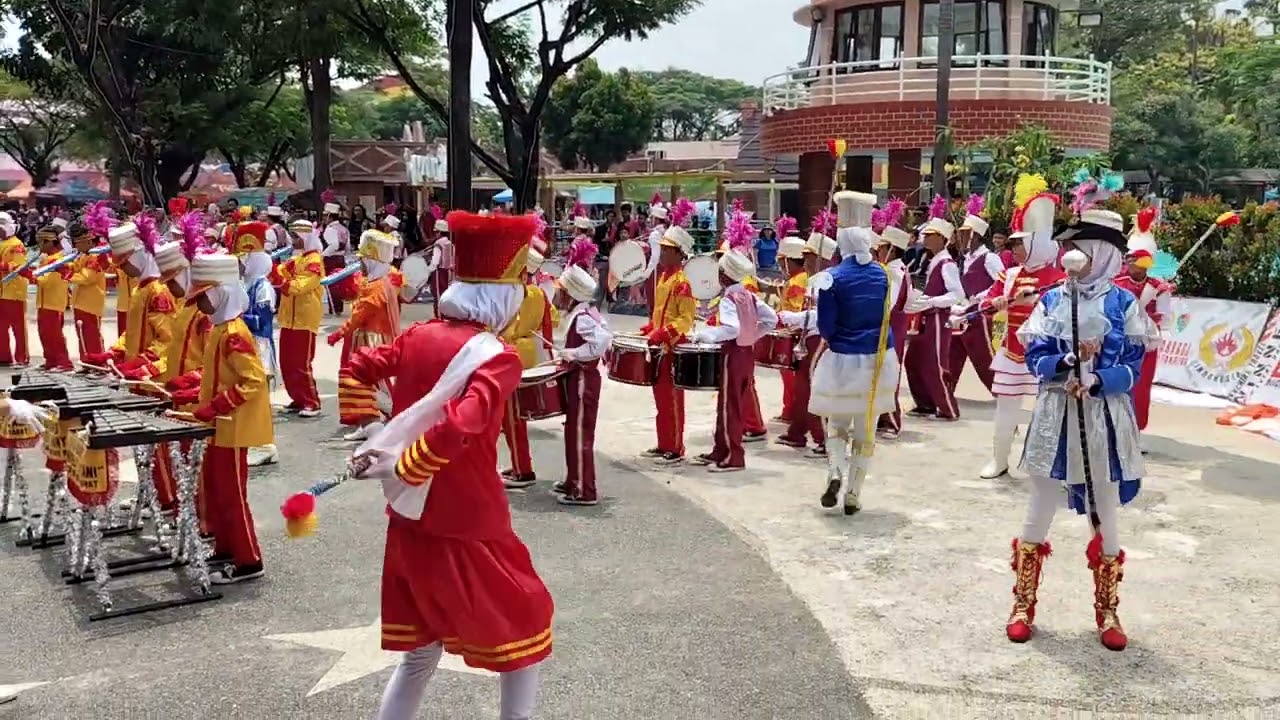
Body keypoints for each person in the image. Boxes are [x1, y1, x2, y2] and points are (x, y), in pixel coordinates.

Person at [342, 209, 553, 720]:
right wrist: (403, 463)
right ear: (504, 293)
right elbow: (464, 424)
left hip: (411, 518)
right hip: (469, 518)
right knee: (526, 624)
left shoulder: (419, 336)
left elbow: (356, 367)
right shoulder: (497, 356)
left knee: (420, 652)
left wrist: (375, 434)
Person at [1005, 202, 1149, 653]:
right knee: (1041, 502)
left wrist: (1100, 379)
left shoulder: (1125, 303)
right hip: (1056, 412)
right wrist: (1065, 363)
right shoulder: (1052, 298)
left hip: (1104, 417)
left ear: (1100, 253)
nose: (1069, 254)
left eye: (1077, 248)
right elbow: (1035, 354)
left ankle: (1108, 609)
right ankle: (1022, 604)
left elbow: (1135, 367)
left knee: (1104, 506)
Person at [170, 251, 271, 584]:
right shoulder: (219, 329)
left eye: (204, 298)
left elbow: (253, 381)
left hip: (231, 426)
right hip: (216, 426)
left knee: (232, 495)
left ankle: (248, 559)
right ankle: (227, 548)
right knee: (217, 492)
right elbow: (216, 374)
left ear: (221, 293)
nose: (200, 305)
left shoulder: (234, 334)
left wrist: (215, 406)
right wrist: (189, 391)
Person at [807, 192, 899, 515]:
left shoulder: (831, 279)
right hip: (878, 362)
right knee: (866, 429)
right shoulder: (887, 276)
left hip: (843, 359)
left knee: (837, 423)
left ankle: (834, 471)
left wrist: (838, 338)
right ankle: (854, 495)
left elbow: (826, 326)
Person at [975, 178, 1066, 479]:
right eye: (1013, 243)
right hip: (1012, 352)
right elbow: (986, 305)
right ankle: (1000, 459)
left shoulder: (1061, 277)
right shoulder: (1009, 274)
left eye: (1020, 242)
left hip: (1048, 356)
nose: (1014, 248)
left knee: (1051, 414)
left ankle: (1050, 466)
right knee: (1005, 411)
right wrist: (998, 301)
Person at [688, 216, 778, 472]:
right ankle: (721, 449)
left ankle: (732, 457)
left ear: (725, 275)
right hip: (746, 353)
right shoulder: (747, 294)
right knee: (730, 403)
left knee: (729, 406)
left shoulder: (729, 298)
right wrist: (751, 335)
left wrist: (708, 335)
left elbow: (731, 328)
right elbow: (770, 319)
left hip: (732, 355)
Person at [331, 228, 403, 442]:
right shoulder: (377, 283)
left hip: (371, 340)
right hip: (366, 337)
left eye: (364, 259)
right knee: (367, 382)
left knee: (369, 382)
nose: (360, 263)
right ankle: (370, 422)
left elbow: (359, 316)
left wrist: (339, 333)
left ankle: (384, 418)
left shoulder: (378, 287)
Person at [639, 201, 697, 465]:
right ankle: (663, 443)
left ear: (678, 253)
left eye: (666, 250)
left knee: (673, 399)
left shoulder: (682, 282)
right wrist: (651, 327)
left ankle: (675, 447)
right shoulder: (663, 277)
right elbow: (661, 312)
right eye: (662, 249)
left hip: (673, 347)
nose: (661, 253)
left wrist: (663, 332)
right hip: (660, 345)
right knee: (661, 398)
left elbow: (685, 320)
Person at [552, 257, 611, 506]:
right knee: (573, 431)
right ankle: (573, 478)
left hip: (583, 379)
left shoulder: (584, 317)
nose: (557, 299)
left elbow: (601, 342)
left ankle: (584, 490)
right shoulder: (583, 312)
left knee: (580, 433)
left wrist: (573, 354)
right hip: (579, 377)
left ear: (571, 296)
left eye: (561, 293)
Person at [1111, 207, 1172, 437]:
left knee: (1141, 386)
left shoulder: (1159, 288)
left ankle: (1136, 431)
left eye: (1137, 260)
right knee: (1117, 383)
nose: (1132, 263)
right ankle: (1115, 427)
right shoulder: (1117, 282)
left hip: (1146, 343)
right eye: (1130, 259)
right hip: (1119, 340)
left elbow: (1165, 317)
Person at [776, 225, 838, 454]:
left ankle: (825, 439)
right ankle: (797, 432)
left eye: (809, 256)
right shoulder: (814, 280)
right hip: (809, 338)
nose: (806, 261)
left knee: (815, 389)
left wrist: (791, 317)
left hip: (821, 338)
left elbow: (822, 316)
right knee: (803, 389)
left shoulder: (828, 280)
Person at [498, 247, 554, 489]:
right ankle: (521, 463)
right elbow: (553, 320)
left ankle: (522, 469)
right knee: (515, 417)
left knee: (512, 418)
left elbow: (500, 324)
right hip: (529, 353)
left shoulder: (515, 293)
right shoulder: (539, 293)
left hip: (510, 355)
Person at [903, 216, 963, 420]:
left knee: (935, 364)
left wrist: (932, 301)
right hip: (924, 317)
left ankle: (948, 409)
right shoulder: (930, 260)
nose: (925, 238)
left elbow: (957, 295)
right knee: (913, 360)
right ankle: (925, 404)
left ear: (941, 238)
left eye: (930, 235)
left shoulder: (947, 263)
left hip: (938, 318)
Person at [946, 210, 1002, 395]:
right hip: (966, 311)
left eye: (964, 233)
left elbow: (1002, 281)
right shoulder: (967, 258)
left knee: (983, 358)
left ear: (975, 236)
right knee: (952, 353)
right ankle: (945, 390)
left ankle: (1001, 391)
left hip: (982, 314)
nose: (960, 237)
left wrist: (982, 296)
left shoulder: (990, 258)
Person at [275, 219, 325, 417]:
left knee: (301, 363)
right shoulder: (298, 259)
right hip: (289, 317)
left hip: (305, 318)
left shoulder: (314, 260)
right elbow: (281, 271)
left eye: (296, 237)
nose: (292, 240)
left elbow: (301, 286)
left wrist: (283, 282)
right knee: (287, 362)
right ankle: (297, 397)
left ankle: (311, 401)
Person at [874, 225, 912, 439]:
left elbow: (889, 304)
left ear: (892, 250)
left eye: (882, 248)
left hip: (891, 327)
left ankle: (892, 420)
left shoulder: (895, 273)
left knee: (889, 373)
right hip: (888, 326)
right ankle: (882, 417)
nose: (878, 251)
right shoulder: (892, 270)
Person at [772, 231, 808, 426]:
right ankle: (788, 411)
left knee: (790, 376)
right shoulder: (801, 278)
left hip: (793, 335)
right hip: (794, 332)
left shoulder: (796, 282)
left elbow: (793, 311)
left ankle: (791, 412)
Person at [34, 226, 75, 371]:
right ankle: (50, 360)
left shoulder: (58, 261)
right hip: (44, 301)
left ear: (50, 242)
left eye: (41, 242)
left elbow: (48, 281)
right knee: (44, 333)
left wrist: (31, 276)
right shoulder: (47, 259)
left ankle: (64, 363)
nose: (40, 246)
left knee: (55, 334)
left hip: (54, 302)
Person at [68, 221, 109, 363]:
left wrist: (68, 275)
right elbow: (76, 267)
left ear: (87, 241)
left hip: (91, 302)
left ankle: (98, 364)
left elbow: (87, 278)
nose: (75, 246)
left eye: (77, 243)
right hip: (80, 301)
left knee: (92, 335)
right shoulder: (84, 255)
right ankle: (86, 363)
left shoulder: (96, 256)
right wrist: (64, 266)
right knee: (82, 334)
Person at [0, 211, 33, 366]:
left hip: (14, 291)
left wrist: (3, 266)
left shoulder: (17, 244)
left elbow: (20, 266)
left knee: (18, 327)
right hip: (1, 292)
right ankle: (3, 356)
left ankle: (22, 357)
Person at [321, 200, 350, 314]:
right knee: (339, 284)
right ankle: (338, 308)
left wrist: (323, 255)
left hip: (331, 259)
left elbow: (334, 245)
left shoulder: (330, 229)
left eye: (324, 215)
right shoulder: (344, 228)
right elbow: (347, 247)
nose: (323, 218)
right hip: (341, 258)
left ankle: (334, 308)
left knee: (331, 285)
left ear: (329, 216)